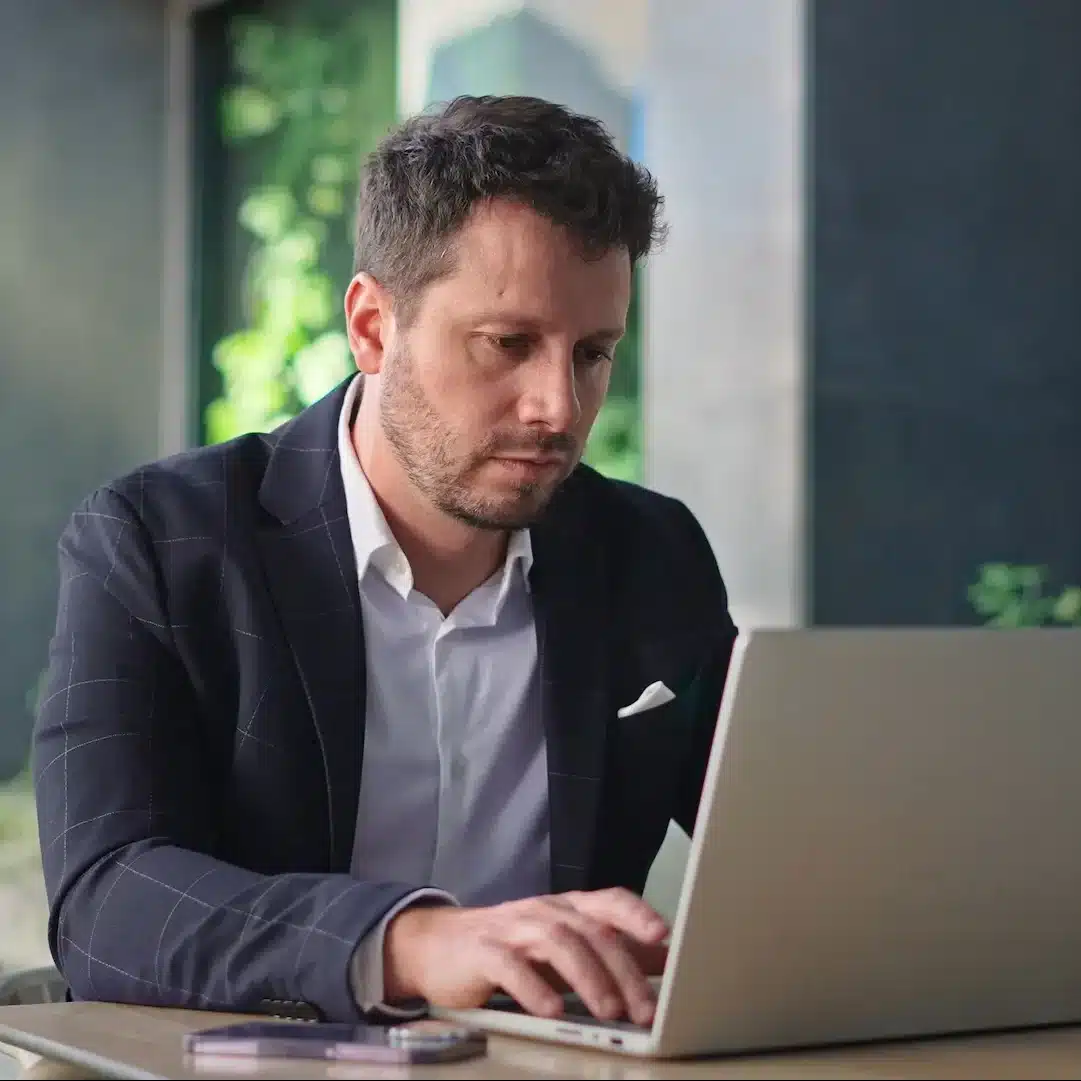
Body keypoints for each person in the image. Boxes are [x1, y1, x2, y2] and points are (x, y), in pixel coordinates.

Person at [32, 95, 737, 1028]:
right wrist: (410, 941)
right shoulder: (159, 542)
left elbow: (795, 848)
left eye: (593, 353)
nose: (558, 408)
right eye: (508, 344)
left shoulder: (652, 555)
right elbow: (106, 901)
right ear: (371, 326)